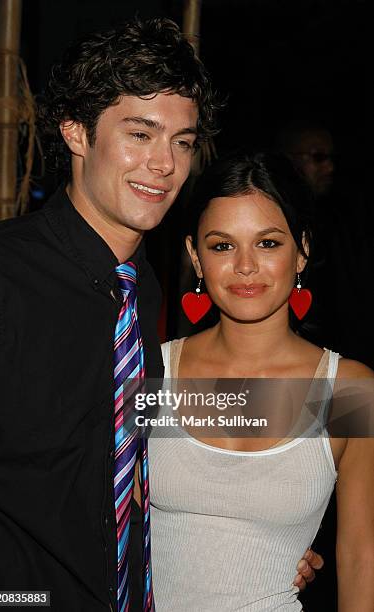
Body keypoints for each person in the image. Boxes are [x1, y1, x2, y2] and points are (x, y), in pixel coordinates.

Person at [0, 18, 321, 612]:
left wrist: (266, 532)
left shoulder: (146, 293)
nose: (164, 164)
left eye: (182, 141)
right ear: (75, 133)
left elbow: (167, 433)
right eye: (140, 134)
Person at [147, 152, 374, 611]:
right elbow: (101, 516)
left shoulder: (345, 390)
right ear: (195, 255)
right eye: (222, 245)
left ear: (302, 250)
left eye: (268, 243)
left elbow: (358, 557)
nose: (245, 266)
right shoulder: (152, 371)